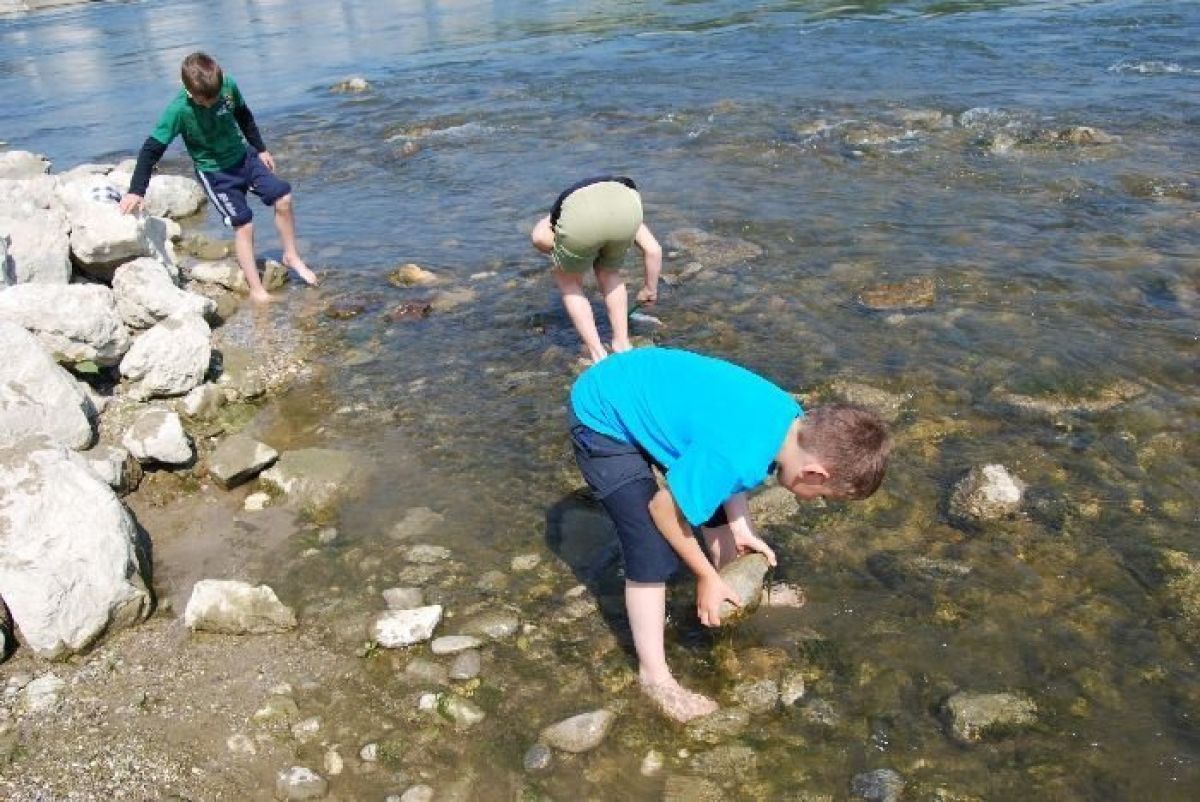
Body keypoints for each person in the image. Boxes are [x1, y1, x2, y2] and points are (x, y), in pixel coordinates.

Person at [567, 347, 891, 722]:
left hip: (645, 388)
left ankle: (733, 593)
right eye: (821, 496)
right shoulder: (739, 455)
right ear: (815, 474)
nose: (814, 501)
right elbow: (663, 509)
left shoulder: (790, 421)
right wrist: (704, 575)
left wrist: (740, 525)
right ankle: (654, 677)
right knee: (651, 551)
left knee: (709, 500)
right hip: (602, 415)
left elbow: (729, 471)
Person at [118, 52, 317, 303]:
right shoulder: (178, 110)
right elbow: (151, 149)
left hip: (244, 158)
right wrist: (136, 190)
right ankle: (257, 291)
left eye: (215, 98)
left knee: (283, 198)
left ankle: (291, 255)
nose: (212, 103)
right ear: (189, 91)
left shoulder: (227, 86)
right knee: (244, 224)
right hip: (215, 174)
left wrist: (261, 148)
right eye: (206, 100)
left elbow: (244, 115)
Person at [531, 176, 662, 363]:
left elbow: (538, 238)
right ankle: (622, 344)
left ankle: (597, 353)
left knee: (568, 280)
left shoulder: (561, 210)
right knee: (609, 273)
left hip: (578, 221)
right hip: (627, 212)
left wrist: (560, 251)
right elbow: (654, 250)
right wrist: (650, 289)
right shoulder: (624, 201)